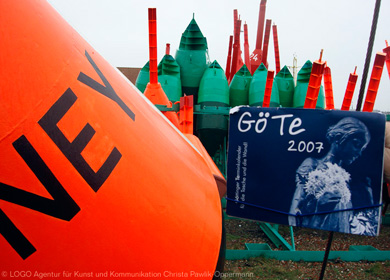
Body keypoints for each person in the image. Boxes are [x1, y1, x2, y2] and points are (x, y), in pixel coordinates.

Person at [289, 117, 373, 234]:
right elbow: (295, 212)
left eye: (362, 149)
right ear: (339, 138)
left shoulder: (345, 178)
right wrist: (319, 209)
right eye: (356, 145)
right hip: (315, 237)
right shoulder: (312, 165)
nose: (359, 153)